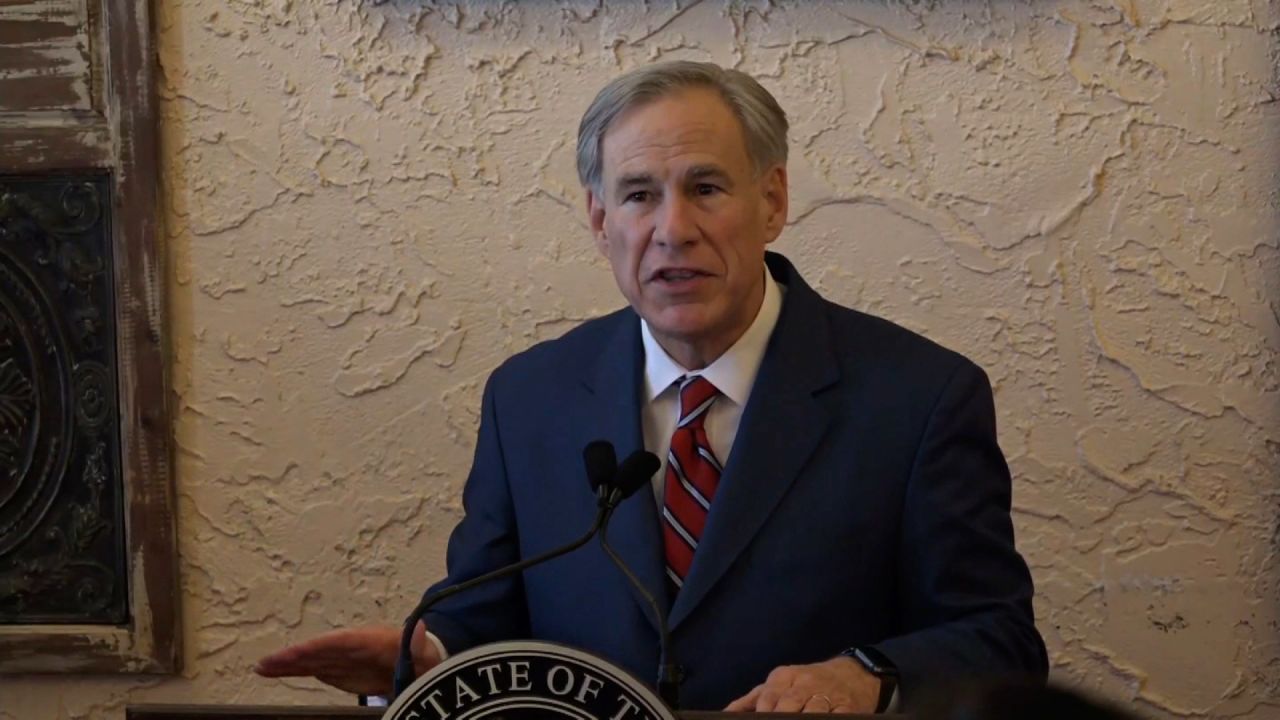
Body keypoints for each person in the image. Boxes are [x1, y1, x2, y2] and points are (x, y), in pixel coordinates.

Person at [256, 61, 1048, 713]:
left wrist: (867, 675)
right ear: (601, 221)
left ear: (771, 201)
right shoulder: (530, 398)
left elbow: (998, 637)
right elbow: (485, 616)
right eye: (639, 195)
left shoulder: (918, 397)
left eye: (706, 188)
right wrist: (425, 656)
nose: (672, 229)